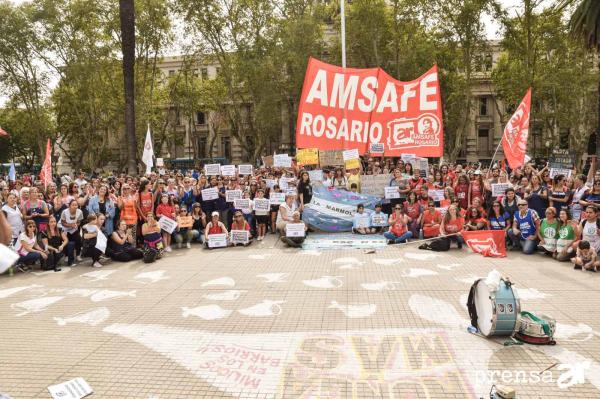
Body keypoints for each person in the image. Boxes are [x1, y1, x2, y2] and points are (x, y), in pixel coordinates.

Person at [60, 199, 84, 265]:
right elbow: (62, 222)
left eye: (76, 205)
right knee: (66, 242)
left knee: (78, 240)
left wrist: (77, 225)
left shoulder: (80, 212)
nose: (75, 206)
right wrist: (70, 225)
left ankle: (78, 255)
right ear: (69, 206)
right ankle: (66, 256)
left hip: (74, 229)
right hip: (65, 230)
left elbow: (79, 221)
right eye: (73, 205)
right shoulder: (64, 212)